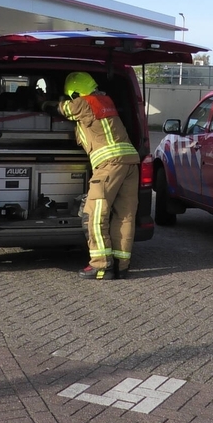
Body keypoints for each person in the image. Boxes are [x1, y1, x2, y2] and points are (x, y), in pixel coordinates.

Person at [44, 72, 140, 280]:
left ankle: (101, 265)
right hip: (131, 162)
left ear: (76, 93)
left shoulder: (83, 103)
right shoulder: (107, 100)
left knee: (93, 215)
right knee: (124, 216)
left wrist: (42, 102)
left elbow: (59, 108)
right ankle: (121, 266)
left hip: (109, 165)